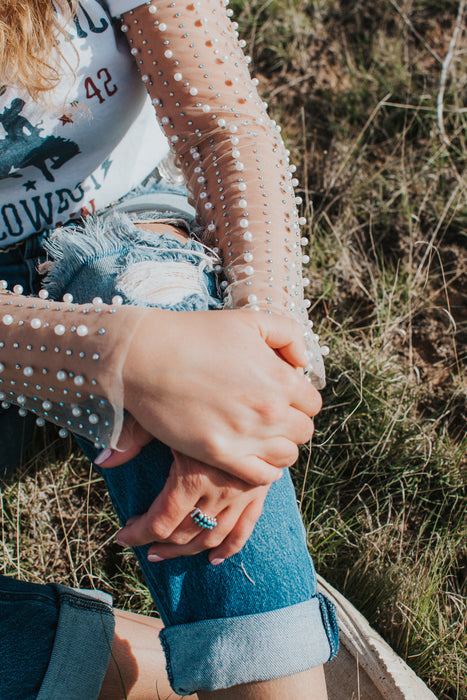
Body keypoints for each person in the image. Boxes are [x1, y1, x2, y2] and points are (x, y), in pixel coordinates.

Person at [0, 1, 338, 698]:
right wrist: (118, 354)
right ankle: (126, 665)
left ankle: (270, 676)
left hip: (109, 233)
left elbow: (223, 128)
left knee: (149, 286)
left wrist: (258, 358)